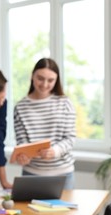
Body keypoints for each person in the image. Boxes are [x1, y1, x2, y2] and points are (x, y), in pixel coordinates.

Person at [13, 58, 76, 189]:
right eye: (40, 78)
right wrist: (23, 156)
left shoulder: (65, 103)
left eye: (51, 80)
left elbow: (70, 138)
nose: (45, 84)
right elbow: (22, 142)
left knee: (64, 210)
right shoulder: (21, 107)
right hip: (31, 174)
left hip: (63, 174)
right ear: (32, 76)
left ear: (56, 80)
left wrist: (55, 150)